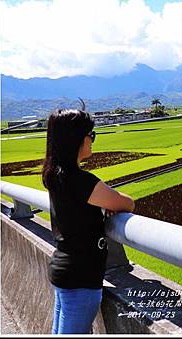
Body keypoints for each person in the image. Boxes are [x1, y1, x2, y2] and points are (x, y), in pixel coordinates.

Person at [42, 106, 135, 334]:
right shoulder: (80, 181)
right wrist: (108, 205)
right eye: (91, 135)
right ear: (77, 140)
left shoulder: (55, 175)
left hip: (64, 271)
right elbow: (127, 203)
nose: (92, 140)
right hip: (81, 278)